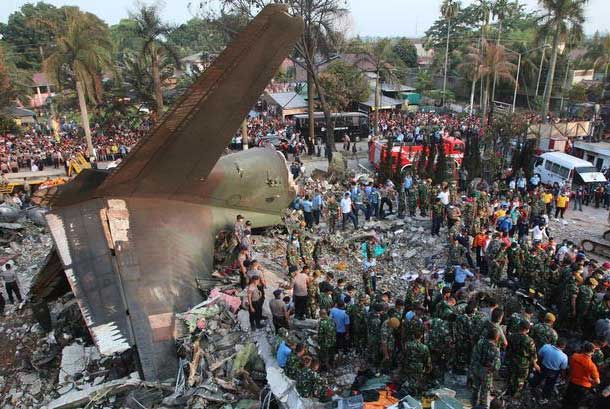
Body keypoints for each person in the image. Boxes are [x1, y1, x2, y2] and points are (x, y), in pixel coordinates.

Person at [470, 326, 502, 408]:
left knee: (475, 387)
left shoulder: (480, 342)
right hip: (487, 372)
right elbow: (496, 365)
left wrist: (474, 366)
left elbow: (474, 355)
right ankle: (482, 406)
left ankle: (473, 404)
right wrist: (491, 370)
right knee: (484, 391)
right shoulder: (495, 349)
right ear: (496, 337)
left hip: (477, 368)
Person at [563, 342, 600, 408]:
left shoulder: (574, 356)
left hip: (572, 381)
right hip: (583, 386)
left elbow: (571, 366)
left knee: (567, 399)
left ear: (583, 349)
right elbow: (597, 381)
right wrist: (591, 381)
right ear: (593, 352)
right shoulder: (592, 366)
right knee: (576, 403)